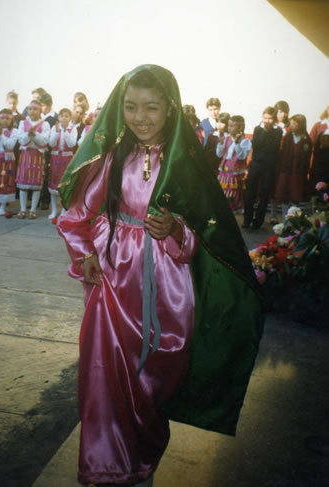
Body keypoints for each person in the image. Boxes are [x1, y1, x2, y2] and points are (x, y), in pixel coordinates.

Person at [57, 64, 263, 487]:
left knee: (156, 375)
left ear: (169, 108)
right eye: (131, 107)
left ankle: (144, 454)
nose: (140, 117)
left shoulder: (186, 165)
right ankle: (106, 464)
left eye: (151, 107)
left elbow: (204, 236)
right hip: (113, 280)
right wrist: (88, 254)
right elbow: (77, 216)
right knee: (105, 370)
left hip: (169, 286)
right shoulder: (113, 157)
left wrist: (176, 232)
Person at [243, 106, 282, 229]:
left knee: (264, 194)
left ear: (274, 119)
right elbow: (256, 145)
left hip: (269, 166)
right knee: (250, 192)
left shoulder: (278, 131)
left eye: (270, 118)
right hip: (256, 164)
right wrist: (264, 131)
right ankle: (247, 219)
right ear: (262, 117)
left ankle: (258, 221)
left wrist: (267, 133)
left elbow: (273, 147)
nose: (267, 121)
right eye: (265, 118)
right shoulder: (258, 129)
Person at [16, 100, 50, 219]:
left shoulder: (45, 124)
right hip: (26, 155)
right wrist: (28, 135)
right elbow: (20, 139)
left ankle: (33, 210)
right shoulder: (22, 123)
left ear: (40, 110)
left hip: (37, 156)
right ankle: (23, 209)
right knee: (23, 183)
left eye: (35, 109)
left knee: (36, 183)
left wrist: (34, 134)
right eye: (30, 109)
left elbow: (45, 141)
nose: (32, 111)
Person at [274, 114, 312, 216]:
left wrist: (303, 169)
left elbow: (307, 156)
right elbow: (282, 152)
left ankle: (294, 217)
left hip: (298, 172)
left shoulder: (306, 139)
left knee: (295, 195)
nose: (292, 126)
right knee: (284, 195)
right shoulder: (288, 136)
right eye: (291, 123)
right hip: (286, 170)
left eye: (294, 124)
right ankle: (284, 216)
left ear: (301, 125)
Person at [216, 115, 251, 213]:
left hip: (235, 172)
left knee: (233, 192)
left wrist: (236, 143)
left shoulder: (245, 141)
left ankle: (232, 211)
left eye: (232, 126)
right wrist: (220, 144)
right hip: (224, 170)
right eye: (229, 125)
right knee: (223, 191)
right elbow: (219, 154)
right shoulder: (226, 138)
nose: (229, 128)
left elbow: (241, 156)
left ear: (240, 127)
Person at [48, 108, 77, 218]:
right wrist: (56, 132)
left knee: (64, 185)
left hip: (67, 160)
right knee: (53, 186)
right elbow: (51, 143)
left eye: (66, 116)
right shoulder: (54, 128)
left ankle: (64, 210)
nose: (64, 118)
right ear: (58, 117)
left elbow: (71, 144)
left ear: (70, 118)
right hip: (55, 159)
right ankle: (54, 210)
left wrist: (65, 131)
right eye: (62, 115)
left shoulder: (72, 129)